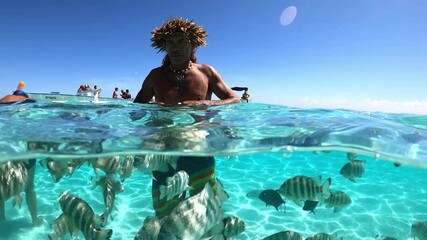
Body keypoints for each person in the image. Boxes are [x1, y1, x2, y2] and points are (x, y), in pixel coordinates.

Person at [133, 17, 240, 217]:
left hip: (198, 147)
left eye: (181, 41)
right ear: (164, 46)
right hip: (163, 150)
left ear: (193, 44)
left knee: (204, 211)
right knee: (165, 214)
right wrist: (154, 111)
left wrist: (207, 103)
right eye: (170, 42)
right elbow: (135, 110)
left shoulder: (206, 72)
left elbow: (234, 100)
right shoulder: (155, 75)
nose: (176, 47)